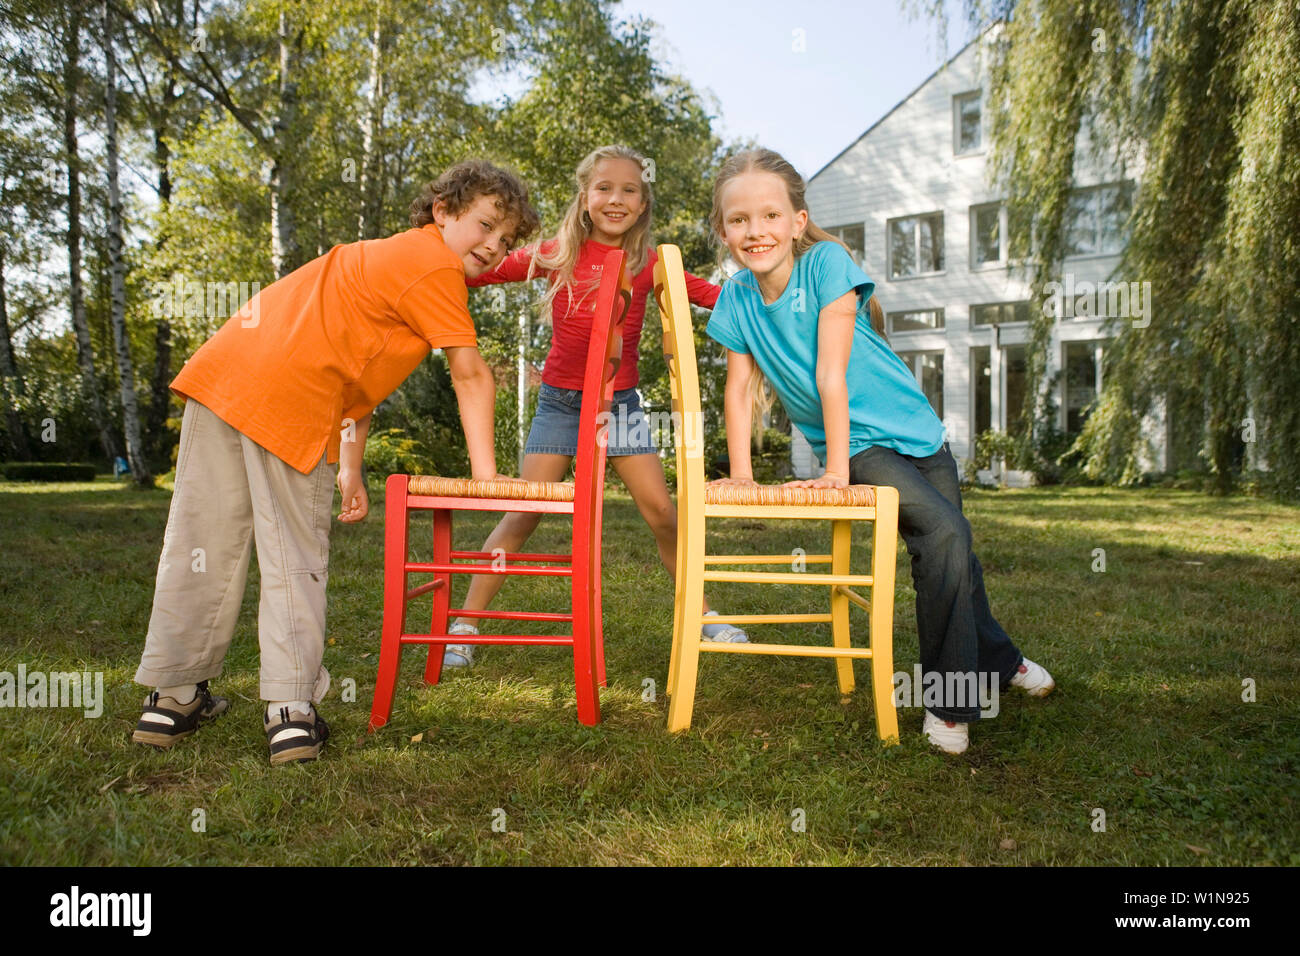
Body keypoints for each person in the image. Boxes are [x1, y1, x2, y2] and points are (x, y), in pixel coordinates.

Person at [131, 160, 540, 765]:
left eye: (505, 240)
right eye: (485, 226)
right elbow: (471, 371)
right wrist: (485, 473)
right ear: (443, 212)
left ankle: (173, 696)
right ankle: (290, 713)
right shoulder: (432, 265)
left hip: (226, 379)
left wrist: (350, 468)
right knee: (294, 556)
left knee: (201, 541)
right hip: (286, 398)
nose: (493, 246)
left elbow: (355, 388)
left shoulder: (387, 260)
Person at [704, 148, 1054, 754]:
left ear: (796, 219)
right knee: (946, 537)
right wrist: (741, 474)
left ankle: (1001, 659)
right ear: (723, 230)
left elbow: (831, 373)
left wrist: (831, 472)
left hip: (917, 432)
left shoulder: (828, 264)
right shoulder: (734, 300)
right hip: (860, 446)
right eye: (739, 220)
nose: (754, 231)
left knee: (953, 554)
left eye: (768, 215)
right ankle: (951, 703)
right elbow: (738, 391)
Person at [445, 144, 748, 667]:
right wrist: (431, 262)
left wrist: (786, 296)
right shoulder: (557, 251)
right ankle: (465, 626)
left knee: (662, 514)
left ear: (643, 203)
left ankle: (705, 615)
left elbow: (715, 297)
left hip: (622, 407)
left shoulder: (651, 263)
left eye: (630, 189)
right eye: (604, 188)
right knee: (522, 514)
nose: (616, 198)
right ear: (585, 198)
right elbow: (478, 271)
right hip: (562, 404)